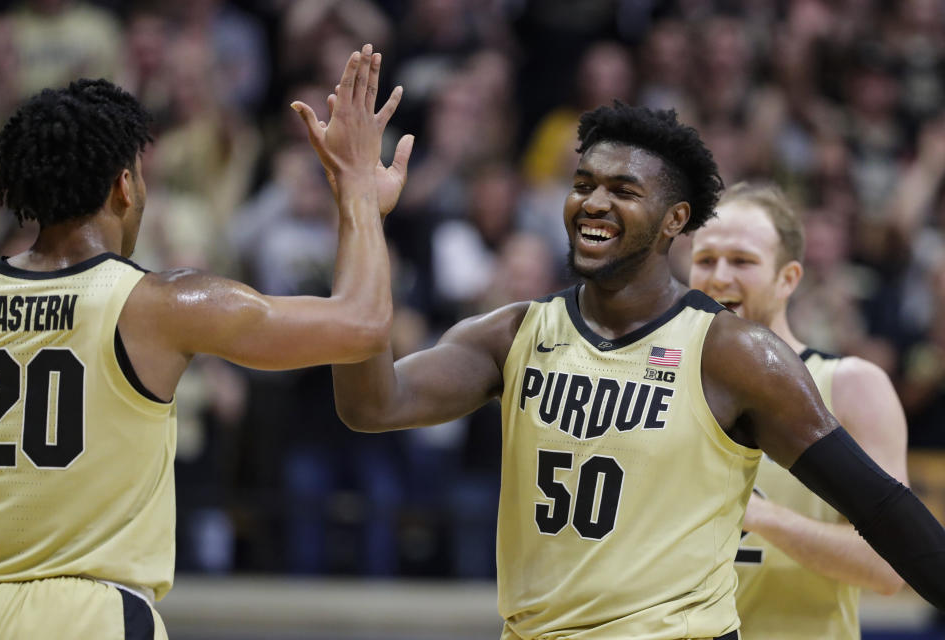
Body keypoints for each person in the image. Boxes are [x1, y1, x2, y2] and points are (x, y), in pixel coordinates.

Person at [328, 101, 945, 639]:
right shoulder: (515, 332)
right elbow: (370, 405)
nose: (594, 202)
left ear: (675, 220)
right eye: (583, 183)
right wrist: (359, 212)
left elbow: (882, 506)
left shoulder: (732, 353)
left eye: (623, 190)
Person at [0, 45, 412, 639]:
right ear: (124, 187)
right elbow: (363, 324)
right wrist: (357, 192)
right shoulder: (159, 304)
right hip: (90, 617)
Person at [689, 182, 908, 639]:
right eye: (705, 260)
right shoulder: (665, 383)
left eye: (742, 261)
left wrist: (760, 516)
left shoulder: (851, 385)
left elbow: (890, 568)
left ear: (787, 278)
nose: (719, 276)